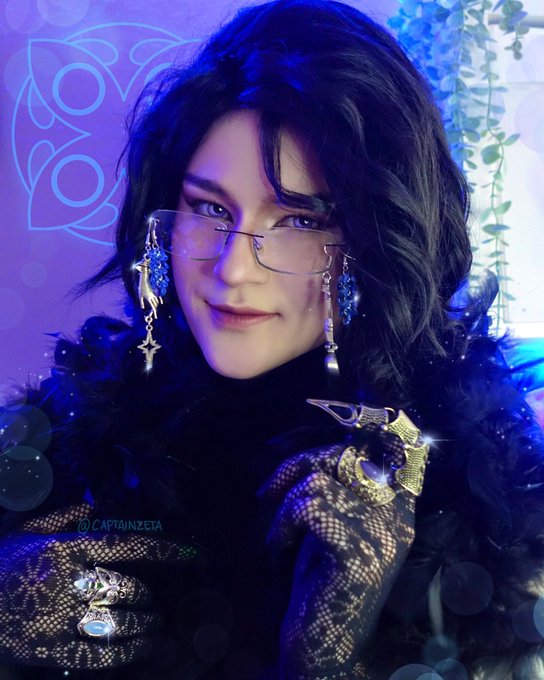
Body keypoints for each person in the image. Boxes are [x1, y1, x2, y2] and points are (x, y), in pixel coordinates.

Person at [1, 0, 543, 678]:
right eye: (208, 208)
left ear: (383, 238)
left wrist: (329, 657)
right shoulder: (76, 427)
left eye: (300, 221)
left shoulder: (488, 501)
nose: (233, 269)